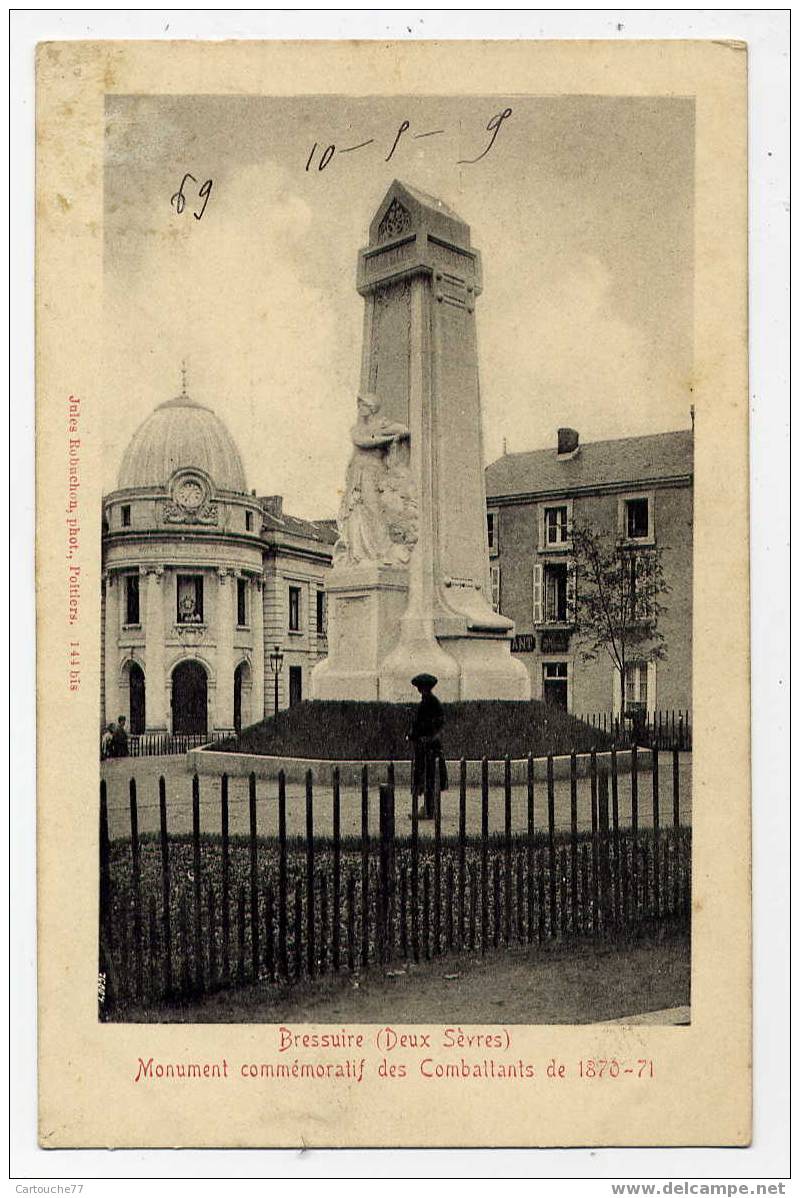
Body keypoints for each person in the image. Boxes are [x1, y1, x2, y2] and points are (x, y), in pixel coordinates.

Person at [409, 673, 448, 820]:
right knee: (429, 777)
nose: (420, 690)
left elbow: (423, 724)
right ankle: (429, 808)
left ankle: (429, 809)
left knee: (428, 777)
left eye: (421, 687)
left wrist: (414, 735)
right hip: (430, 745)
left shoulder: (427, 703)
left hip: (427, 747)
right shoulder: (433, 702)